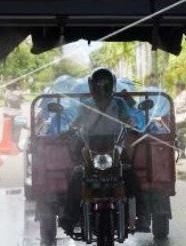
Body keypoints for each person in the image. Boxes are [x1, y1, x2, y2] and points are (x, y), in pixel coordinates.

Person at [60, 68, 148, 232]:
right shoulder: (86, 105)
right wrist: (68, 130)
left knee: (129, 173)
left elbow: (127, 118)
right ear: (91, 87)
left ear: (112, 86)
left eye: (105, 86)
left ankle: (142, 216)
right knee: (77, 174)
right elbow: (77, 122)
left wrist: (133, 125)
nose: (101, 90)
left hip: (114, 145)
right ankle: (69, 216)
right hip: (90, 145)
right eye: (97, 86)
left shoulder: (119, 103)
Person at [174, 80, 186, 157]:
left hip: (183, 118)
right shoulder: (178, 96)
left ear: (179, 87)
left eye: (176, 87)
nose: (175, 89)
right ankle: (182, 153)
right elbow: (175, 107)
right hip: (177, 118)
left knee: (180, 135)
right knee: (179, 136)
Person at [4, 80, 26, 148]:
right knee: (18, 131)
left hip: (8, 113)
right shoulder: (18, 93)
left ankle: (10, 145)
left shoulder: (6, 93)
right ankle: (16, 145)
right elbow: (22, 101)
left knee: (10, 130)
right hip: (18, 113)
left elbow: (5, 103)